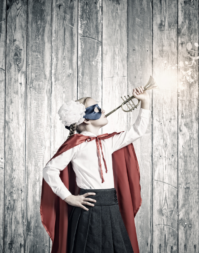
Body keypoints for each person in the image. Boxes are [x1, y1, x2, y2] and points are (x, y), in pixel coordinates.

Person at [40, 86, 150, 253]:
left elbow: (137, 131)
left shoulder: (108, 141)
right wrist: (69, 197)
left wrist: (145, 102)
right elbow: (50, 170)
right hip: (88, 208)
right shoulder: (75, 144)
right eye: (97, 109)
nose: (103, 110)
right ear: (86, 119)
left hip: (111, 206)